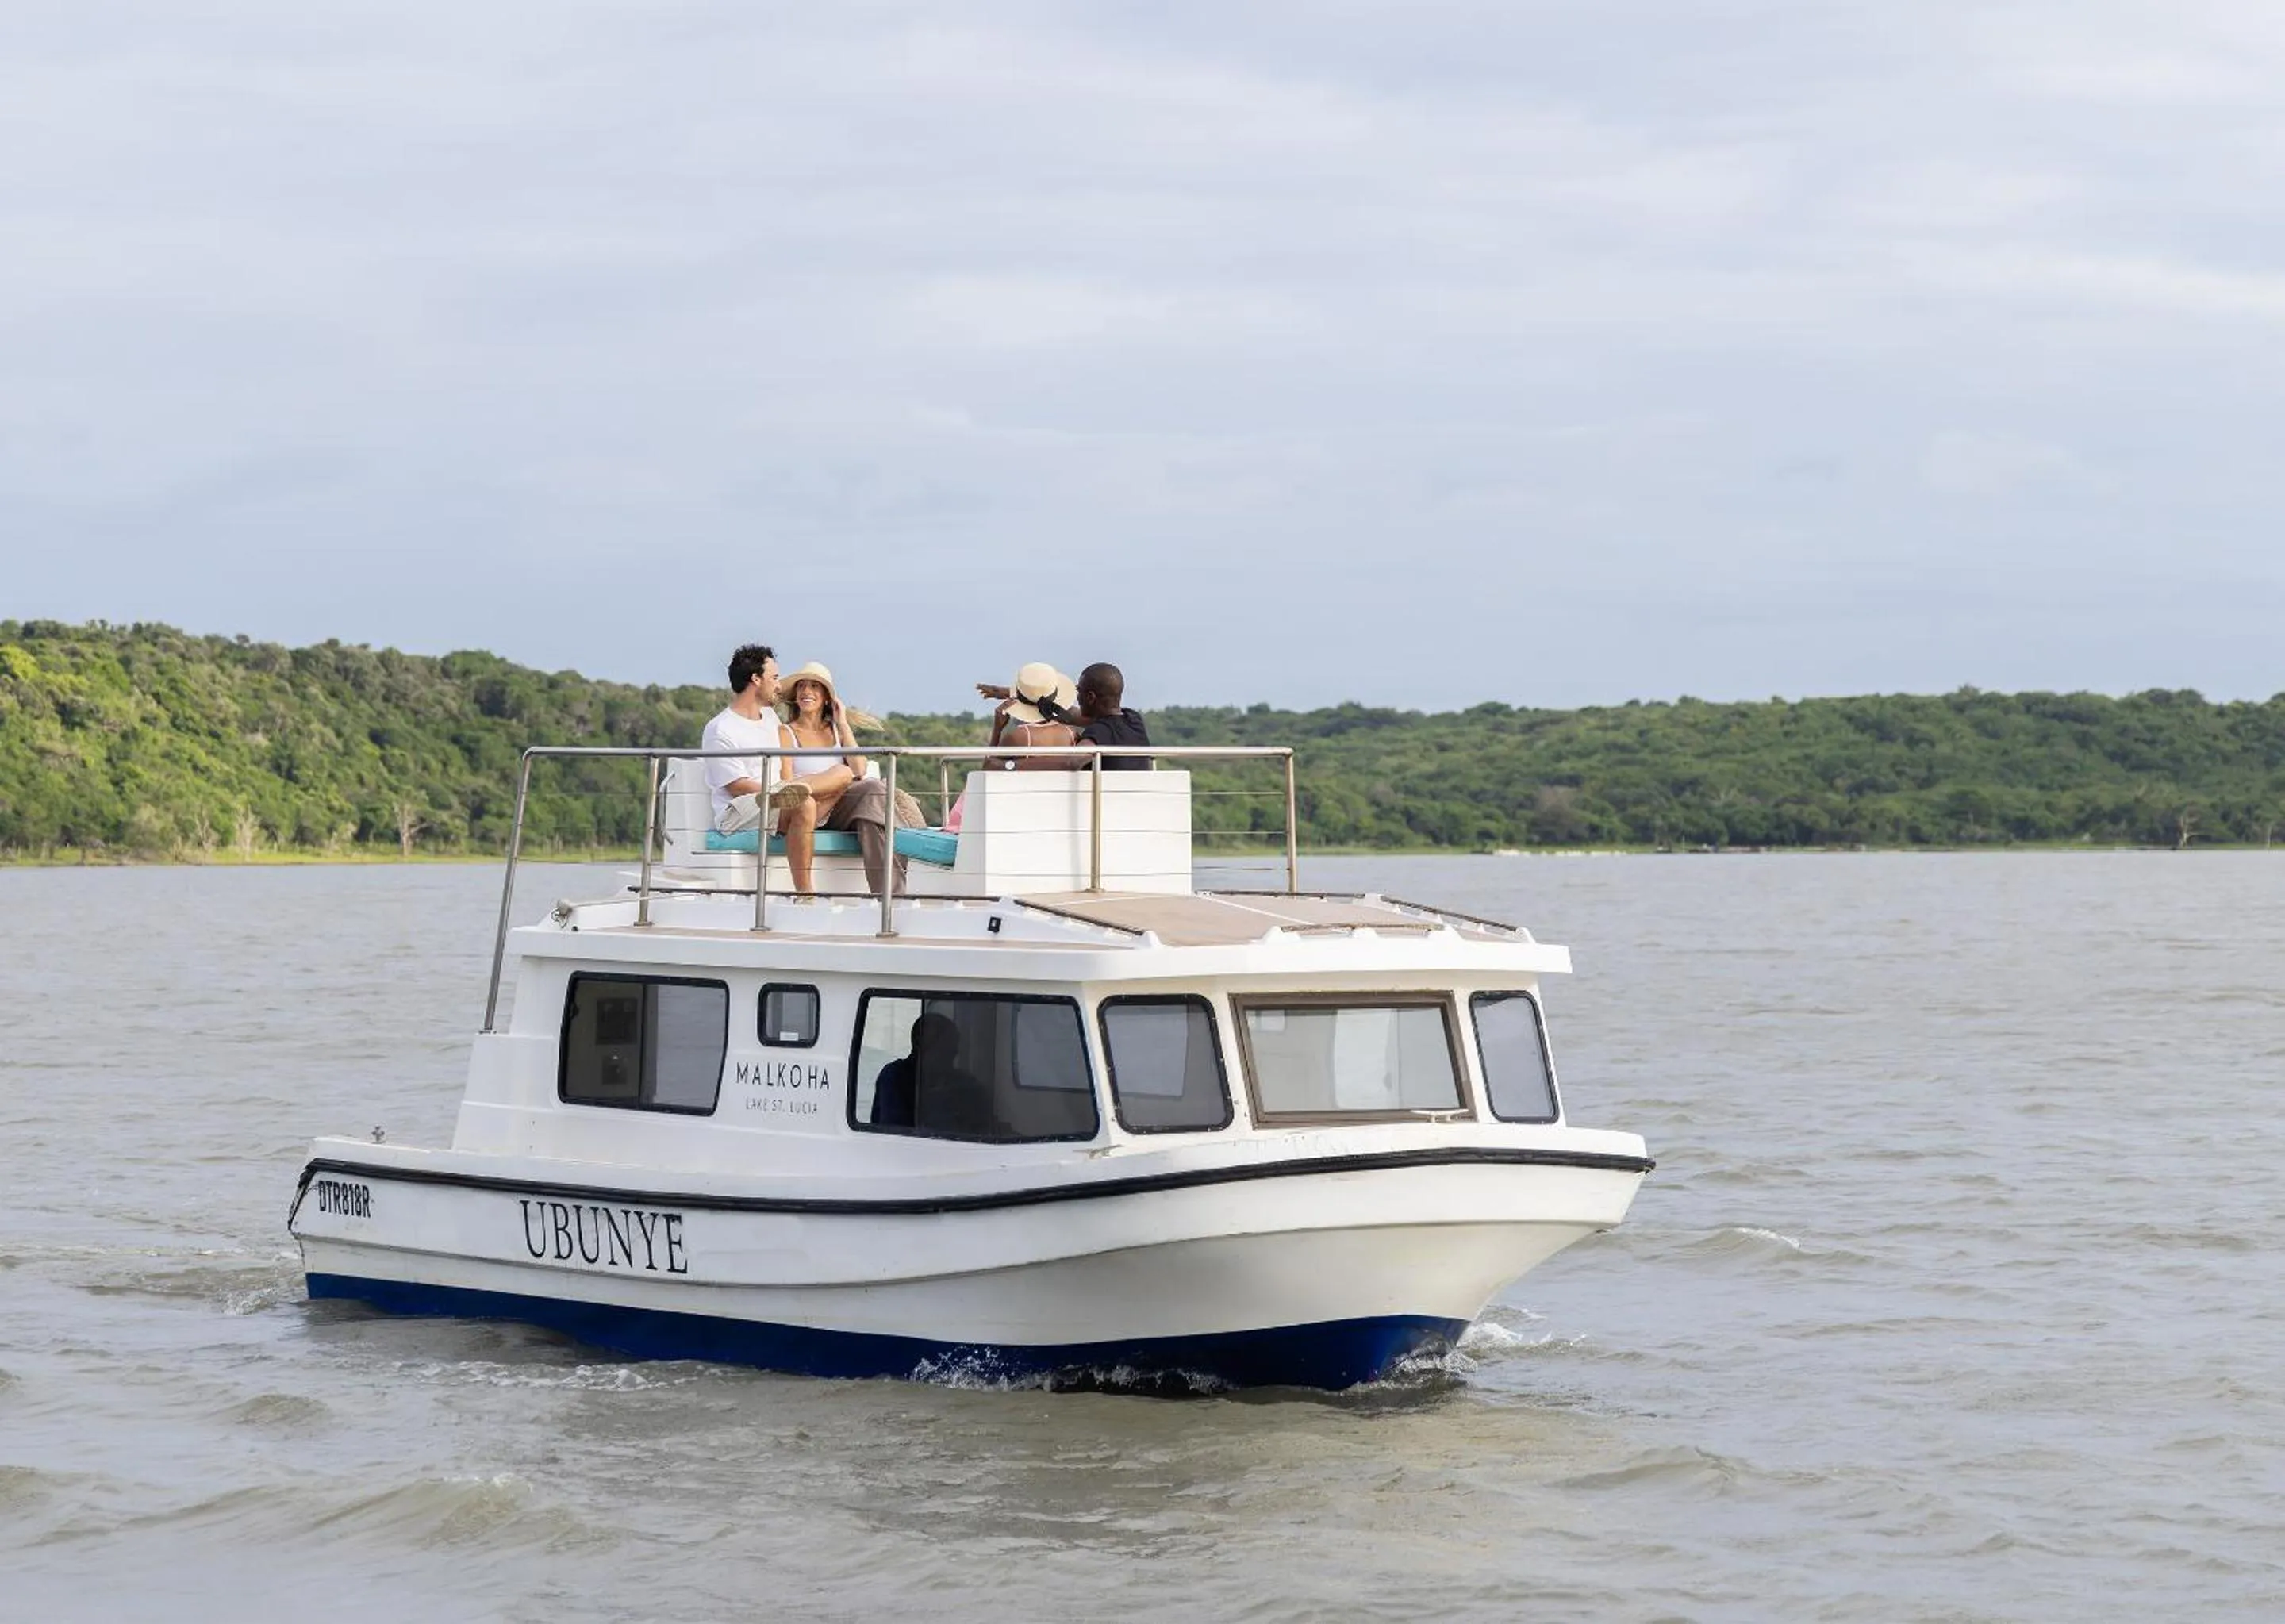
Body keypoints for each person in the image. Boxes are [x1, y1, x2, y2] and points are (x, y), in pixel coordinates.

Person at [778, 661, 907, 896]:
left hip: (838, 809)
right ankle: (894, 896)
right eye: (802, 686)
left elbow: (859, 768)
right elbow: (786, 784)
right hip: (808, 810)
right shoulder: (786, 732)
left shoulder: (837, 730)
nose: (806, 692)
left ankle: (891, 898)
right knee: (851, 780)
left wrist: (844, 723)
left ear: (827, 697)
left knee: (872, 804)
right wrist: (831, 785)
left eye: (815, 686)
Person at [700, 643, 820, 892]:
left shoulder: (770, 718)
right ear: (756, 679)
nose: (779, 685)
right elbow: (737, 786)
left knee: (841, 782)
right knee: (804, 802)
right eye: (774, 678)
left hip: (776, 797)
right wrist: (779, 793)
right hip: (738, 809)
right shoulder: (720, 729)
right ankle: (806, 894)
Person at [974, 660, 1150, 771]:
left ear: (1090, 698)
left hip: (1105, 813)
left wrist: (1008, 765)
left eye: (1078, 691)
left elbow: (1072, 762)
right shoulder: (1133, 719)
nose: (1076, 697)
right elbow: (1068, 714)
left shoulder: (1098, 734)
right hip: (1136, 810)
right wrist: (1011, 693)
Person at [870, 1011, 986, 1133]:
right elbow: (896, 1130)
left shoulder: (963, 1081)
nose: (955, 1051)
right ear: (922, 1047)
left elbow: (979, 1122)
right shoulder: (895, 1076)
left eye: (955, 1045)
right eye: (947, 1046)